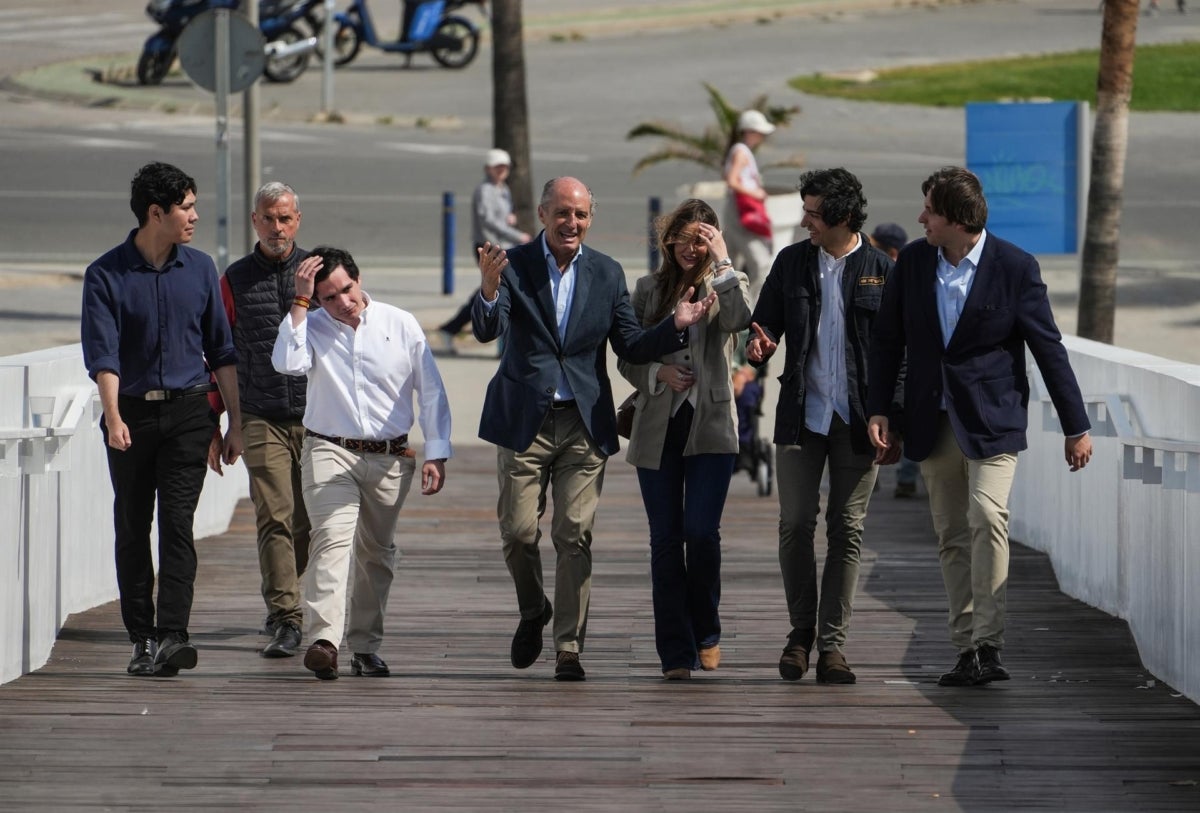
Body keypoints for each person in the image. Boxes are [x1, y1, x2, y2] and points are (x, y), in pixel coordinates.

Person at [471, 177, 717, 682]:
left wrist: (674, 324)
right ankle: (533, 609)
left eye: (581, 215)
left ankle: (568, 647)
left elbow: (629, 343)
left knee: (573, 533)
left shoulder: (606, 272)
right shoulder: (513, 265)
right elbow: (486, 330)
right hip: (525, 420)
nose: (572, 223)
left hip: (584, 422)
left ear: (591, 217)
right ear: (542, 214)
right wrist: (490, 290)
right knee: (518, 533)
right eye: (562, 213)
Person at [866, 166, 1093, 687]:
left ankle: (989, 643)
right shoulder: (916, 263)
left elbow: (1047, 347)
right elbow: (887, 341)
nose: (921, 217)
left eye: (931, 210)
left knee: (987, 516)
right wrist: (880, 408)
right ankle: (966, 646)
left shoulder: (1014, 267)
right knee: (951, 534)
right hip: (931, 419)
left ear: (958, 219)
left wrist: (1075, 424)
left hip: (993, 418)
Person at [81, 161, 243, 677]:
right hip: (128, 415)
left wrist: (234, 422)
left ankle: (173, 635)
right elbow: (102, 355)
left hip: (190, 414)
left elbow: (221, 351)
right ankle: (140, 639)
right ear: (157, 213)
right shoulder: (105, 274)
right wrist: (112, 417)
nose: (195, 216)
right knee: (132, 525)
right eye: (187, 207)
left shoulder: (199, 270)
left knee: (177, 526)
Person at [746, 168, 901, 685]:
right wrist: (759, 343)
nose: (804, 220)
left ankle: (833, 646)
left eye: (812, 213)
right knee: (794, 525)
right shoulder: (791, 263)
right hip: (801, 416)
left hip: (860, 421)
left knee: (847, 529)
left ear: (839, 216)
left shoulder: (881, 267)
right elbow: (764, 324)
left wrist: (890, 414)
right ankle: (799, 637)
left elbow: (898, 352)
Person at [272, 245, 452, 680]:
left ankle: (365, 646)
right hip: (329, 451)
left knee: (376, 555)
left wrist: (438, 451)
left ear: (359, 279)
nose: (342, 303)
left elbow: (429, 390)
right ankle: (324, 642)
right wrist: (299, 302)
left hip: (390, 459)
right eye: (328, 298)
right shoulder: (309, 324)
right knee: (331, 540)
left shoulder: (400, 322)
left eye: (346, 290)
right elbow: (288, 362)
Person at [617, 199, 752, 680]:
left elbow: (739, 320)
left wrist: (724, 259)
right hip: (657, 426)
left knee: (701, 533)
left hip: (712, 424)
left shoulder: (726, 283)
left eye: (703, 239)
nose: (692, 248)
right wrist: (658, 371)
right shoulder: (647, 290)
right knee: (665, 541)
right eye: (685, 238)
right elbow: (627, 355)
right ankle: (675, 652)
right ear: (668, 239)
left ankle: (707, 632)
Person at [207, 181, 311, 659]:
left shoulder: (320, 271)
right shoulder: (233, 280)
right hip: (259, 415)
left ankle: (283, 588)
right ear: (254, 221)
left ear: (298, 220)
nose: (277, 228)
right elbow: (216, 353)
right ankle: (286, 617)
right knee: (275, 516)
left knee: (306, 526)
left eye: (285, 218)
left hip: (317, 420)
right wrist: (220, 420)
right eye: (268, 218)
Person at [433, 148, 531, 354]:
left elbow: (503, 215)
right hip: (489, 248)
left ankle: (452, 329)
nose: (501, 171)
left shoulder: (502, 188)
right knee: (496, 290)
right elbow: (489, 220)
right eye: (497, 167)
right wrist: (517, 235)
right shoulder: (485, 190)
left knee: (493, 290)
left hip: (503, 247)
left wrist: (510, 221)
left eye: (504, 167)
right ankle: (501, 345)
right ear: (488, 169)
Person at [869, 222, 921, 499]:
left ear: (891, 252)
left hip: (909, 368)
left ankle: (905, 477)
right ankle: (903, 478)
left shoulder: (900, 277)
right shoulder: (909, 275)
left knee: (910, 420)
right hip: (899, 365)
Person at [723, 109, 776, 304]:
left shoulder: (739, 150)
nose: (762, 138)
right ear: (750, 132)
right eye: (760, 133)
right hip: (741, 212)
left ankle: (736, 306)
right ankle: (752, 308)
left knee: (729, 262)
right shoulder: (741, 151)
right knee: (760, 264)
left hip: (738, 210)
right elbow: (732, 180)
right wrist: (757, 194)